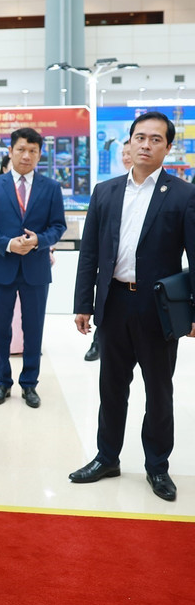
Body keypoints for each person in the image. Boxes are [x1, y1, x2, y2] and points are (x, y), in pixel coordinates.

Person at [70, 111, 195, 502]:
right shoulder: (105, 191)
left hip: (157, 307)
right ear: (129, 142)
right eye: (140, 137)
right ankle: (107, 457)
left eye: (156, 139)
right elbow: (89, 252)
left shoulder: (183, 194)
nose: (146, 144)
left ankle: (157, 466)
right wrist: (83, 303)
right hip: (114, 303)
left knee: (158, 390)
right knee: (111, 388)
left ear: (167, 147)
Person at [0, 127, 67, 409]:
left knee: (33, 329)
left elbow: (58, 226)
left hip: (36, 270)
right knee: (0, 329)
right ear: (11, 151)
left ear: (40, 154)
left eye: (33, 151)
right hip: (1, 268)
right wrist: (7, 244)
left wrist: (39, 240)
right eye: (21, 149)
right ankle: (2, 382)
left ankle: (30, 384)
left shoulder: (51, 187)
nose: (26, 155)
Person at [85, 139, 134, 363]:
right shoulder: (107, 190)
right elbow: (89, 250)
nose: (125, 157)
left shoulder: (175, 192)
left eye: (128, 152)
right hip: (111, 285)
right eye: (122, 154)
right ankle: (98, 342)